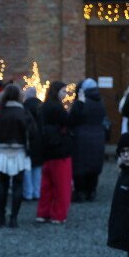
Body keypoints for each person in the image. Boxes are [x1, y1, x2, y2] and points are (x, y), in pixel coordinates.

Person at [0, 84, 37, 227]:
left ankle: (1, 216)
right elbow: (34, 133)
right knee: (18, 186)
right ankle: (14, 219)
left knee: (2, 185)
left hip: (2, 152)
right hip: (20, 152)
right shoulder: (24, 113)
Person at [35, 81, 73, 224]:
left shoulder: (44, 106)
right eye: (63, 91)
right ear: (56, 92)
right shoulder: (57, 107)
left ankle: (43, 213)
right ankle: (58, 215)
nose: (65, 94)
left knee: (47, 185)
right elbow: (70, 121)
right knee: (62, 186)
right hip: (60, 151)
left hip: (47, 151)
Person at [70, 78, 106, 202]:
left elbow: (72, 119)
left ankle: (80, 192)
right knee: (94, 165)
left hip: (81, 138)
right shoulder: (100, 102)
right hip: (98, 137)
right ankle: (91, 192)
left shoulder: (81, 102)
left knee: (79, 166)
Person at [22, 86, 43, 201]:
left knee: (28, 168)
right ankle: (37, 192)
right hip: (40, 141)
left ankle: (28, 193)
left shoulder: (24, 107)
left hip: (28, 140)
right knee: (38, 168)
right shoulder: (41, 106)